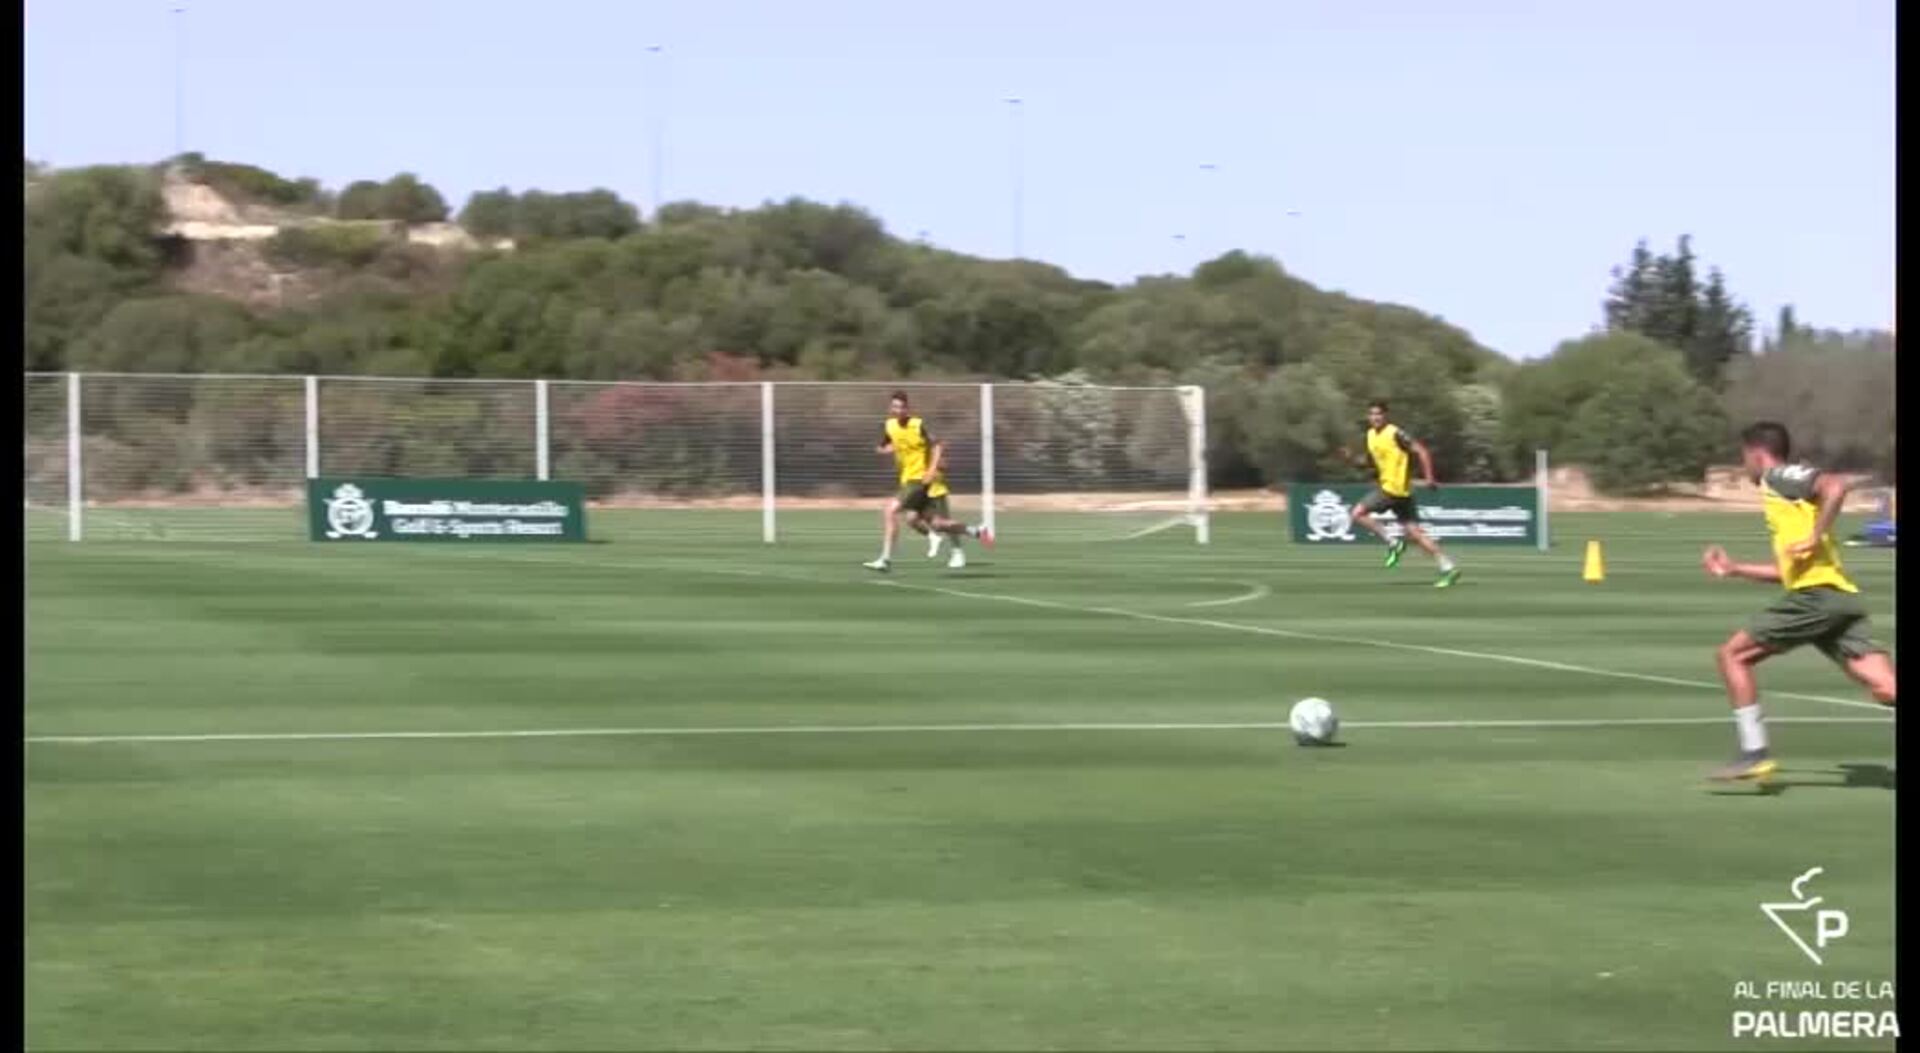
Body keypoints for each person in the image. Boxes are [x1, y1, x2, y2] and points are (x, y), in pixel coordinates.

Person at [1701, 421, 1896, 782]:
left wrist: (1814, 535)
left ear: (1755, 453)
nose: (1744, 466)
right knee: (1886, 689)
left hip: (1816, 598)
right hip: (1839, 598)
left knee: (1732, 655)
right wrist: (1734, 569)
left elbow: (1835, 486)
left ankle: (1754, 752)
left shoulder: (1777, 477)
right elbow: (1785, 572)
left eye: (1744, 457)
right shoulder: (1783, 499)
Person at [863, 391, 992, 572]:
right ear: (890, 408)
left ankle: (885, 559)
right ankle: (975, 531)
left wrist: (932, 469)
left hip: (921, 479)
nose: (897, 410)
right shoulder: (890, 426)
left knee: (890, 510)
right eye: (894, 407)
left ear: (907, 408)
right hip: (908, 479)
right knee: (921, 520)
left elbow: (937, 444)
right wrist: (884, 449)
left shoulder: (918, 425)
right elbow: (885, 444)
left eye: (901, 407)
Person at [1337, 400, 1461, 588]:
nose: (1375, 417)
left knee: (1357, 513)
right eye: (1372, 414)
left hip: (1392, 490)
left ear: (1386, 416)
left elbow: (1421, 451)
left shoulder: (1395, 432)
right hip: (1399, 492)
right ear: (1368, 416)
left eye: (1379, 414)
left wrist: (1429, 478)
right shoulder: (1371, 436)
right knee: (1415, 534)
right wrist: (1351, 459)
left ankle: (1393, 542)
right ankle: (1448, 567)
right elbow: (1369, 463)